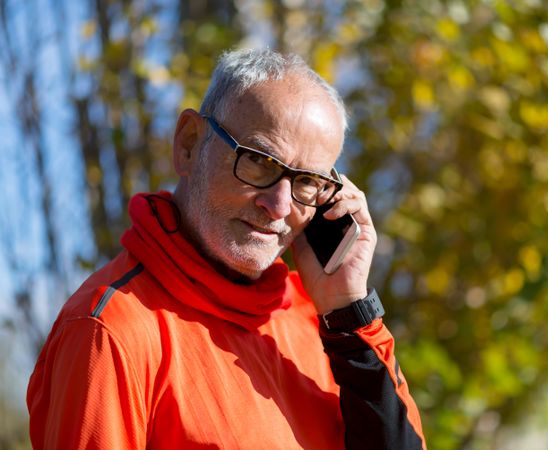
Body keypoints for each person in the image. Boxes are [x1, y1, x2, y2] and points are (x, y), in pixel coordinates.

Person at [27, 48, 426, 450]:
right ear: (188, 144)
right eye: (259, 161)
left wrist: (347, 310)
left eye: (307, 182)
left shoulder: (325, 321)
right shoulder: (111, 330)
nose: (280, 206)